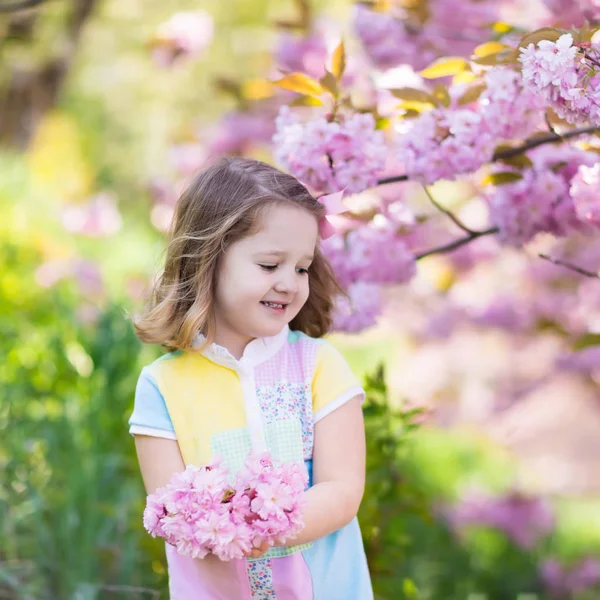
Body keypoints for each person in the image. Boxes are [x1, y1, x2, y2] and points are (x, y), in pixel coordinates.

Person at [128, 157, 373, 599]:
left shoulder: (319, 366)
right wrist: (216, 526)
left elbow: (342, 489)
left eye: (301, 267)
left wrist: (263, 526)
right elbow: (168, 510)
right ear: (209, 259)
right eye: (269, 265)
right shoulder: (162, 386)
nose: (290, 283)